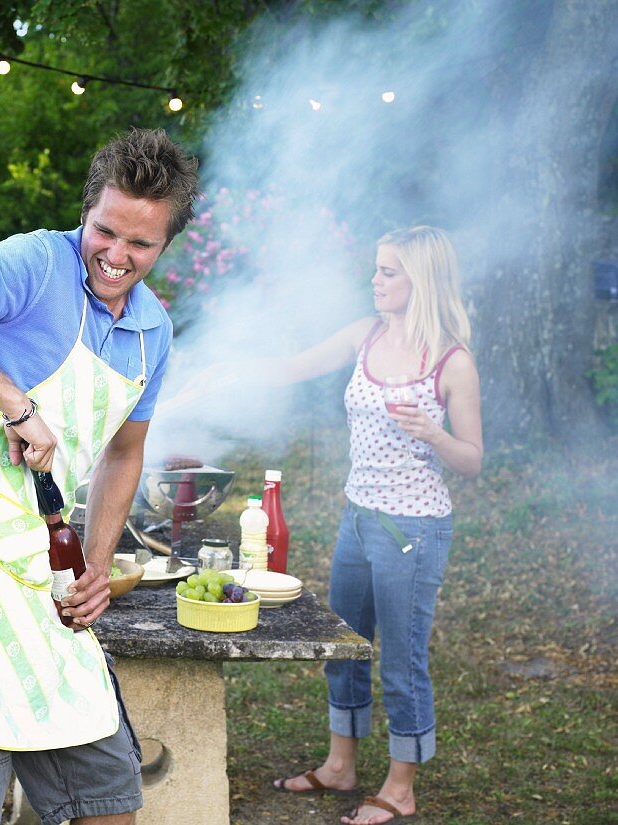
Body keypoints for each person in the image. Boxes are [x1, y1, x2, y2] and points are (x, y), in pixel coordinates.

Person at [0, 128, 199, 825]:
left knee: (108, 802)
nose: (115, 255)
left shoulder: (152, 331)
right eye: (104, 230)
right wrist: (15, 403)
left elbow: (122, 453)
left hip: (42, 584)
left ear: (166, 244)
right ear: (86, 210)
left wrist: (98, 566)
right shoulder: (36, 264)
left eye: (139, 244)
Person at [269, 226, 483, 824]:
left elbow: (472, 458)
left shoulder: (451, 362)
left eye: (389, 271)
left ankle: (401, 788)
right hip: (357, 519)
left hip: (413, 530)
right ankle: (341, 766)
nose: (376, 280)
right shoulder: (367, 335)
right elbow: (293, 367)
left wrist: (434, 434)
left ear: (422, 281)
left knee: (401, 662)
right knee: (344, 647)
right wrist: (223, 372)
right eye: (377, 269)